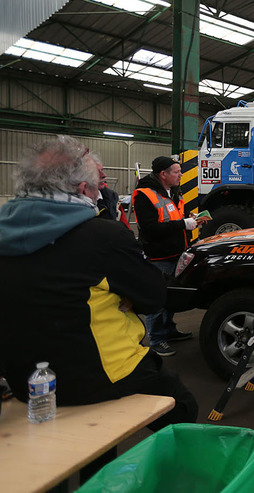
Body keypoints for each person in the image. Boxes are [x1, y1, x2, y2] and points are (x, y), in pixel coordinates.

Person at [0, 136, 197, 430]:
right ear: (82, 189)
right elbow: (154, 296)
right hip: (96, 377)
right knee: (182, 407)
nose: (100, 192)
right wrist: (129, 297)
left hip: (22, 381)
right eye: (97, 187)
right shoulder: (103, 237)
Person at [133, 156, 208, 356]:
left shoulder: (173, 191)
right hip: (159, 256)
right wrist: (183, 224)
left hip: (177, 252)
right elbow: (150, 228)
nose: (181, 175)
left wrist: (190, 218)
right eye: (176, 172)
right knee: (157, 299)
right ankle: (156, 340)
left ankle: (168, 330)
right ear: (163, 174)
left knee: (171, 296)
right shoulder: (144, 195)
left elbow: (174, 214)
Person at [92, 154, 120, 220]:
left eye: (102, 170)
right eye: (96, 172)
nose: (104, 175)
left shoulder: (112, 196)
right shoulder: (74, 203)